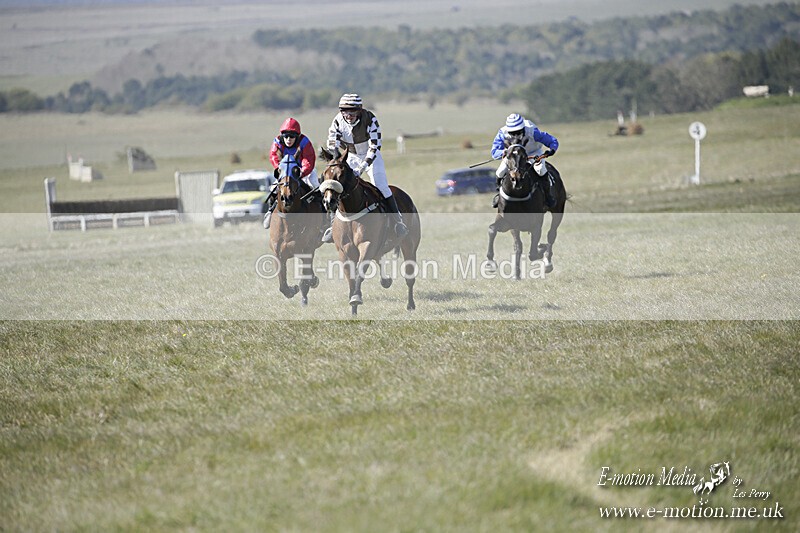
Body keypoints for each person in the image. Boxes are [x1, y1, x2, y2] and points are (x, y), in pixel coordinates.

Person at [324, 93, 408, 242]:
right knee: (336, 187)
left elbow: (375, 146)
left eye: (353, 111)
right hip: (348, 157)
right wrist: (337, 160)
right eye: (344, 111)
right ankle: (332, 227)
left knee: (381, 186)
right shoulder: (337, 121)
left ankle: (397, 222)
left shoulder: (370, 119)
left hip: (370, 157)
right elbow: (333, 143)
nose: (348, 115)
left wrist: (362, 167)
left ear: (359, 110)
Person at [490, 113, 559, 208]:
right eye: (512, 133)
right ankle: (499, 195)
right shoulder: (502, 133)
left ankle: (547, 196)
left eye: (518, 132)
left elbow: (552, 140)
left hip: (533, 153)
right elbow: (494, 152)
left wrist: (552, 150)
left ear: (523, 128)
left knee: (541, 170)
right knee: (500, 172)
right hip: (513, 156)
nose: (516, 135)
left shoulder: (532, 130)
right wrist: (504, 152)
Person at [263, 117, 321, 230]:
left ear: (297, 137)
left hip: (303, 171)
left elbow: (308, 160)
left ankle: (325, 214)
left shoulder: (304, 142)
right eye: (286, 136)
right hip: (285, 173)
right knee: (273, 189)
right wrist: (281, 170)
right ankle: (270, 212)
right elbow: (274, 157)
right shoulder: (277, 142)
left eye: (292, 137)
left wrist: (302, 172)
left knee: (315, 185)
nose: (288, 139)